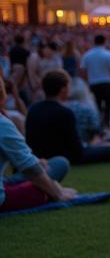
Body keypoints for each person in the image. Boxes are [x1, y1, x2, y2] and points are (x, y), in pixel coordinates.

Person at [0, 78, 75, 212]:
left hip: (6, 180)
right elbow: (29, 167)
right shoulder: (2, 124)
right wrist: (56, 192)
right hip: (3, 196)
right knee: (49, 179)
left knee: (57, 164)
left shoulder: (32, 110)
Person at [26, 70, 110, 164]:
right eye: (68, 86)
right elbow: (76, 149)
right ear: (63, 89)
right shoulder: (65, 113)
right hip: (66, 156)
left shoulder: (33, 110)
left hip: (38, 156)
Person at [81, 34, 110, 129]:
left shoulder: (87, 55)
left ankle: (98, 127)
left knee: (97, 107)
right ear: (105, 41)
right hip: (107, 84)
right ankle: (107, 126)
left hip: (94, 84)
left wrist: (88, 82)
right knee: (108, 107)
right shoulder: (108, 54)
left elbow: (83, 71)